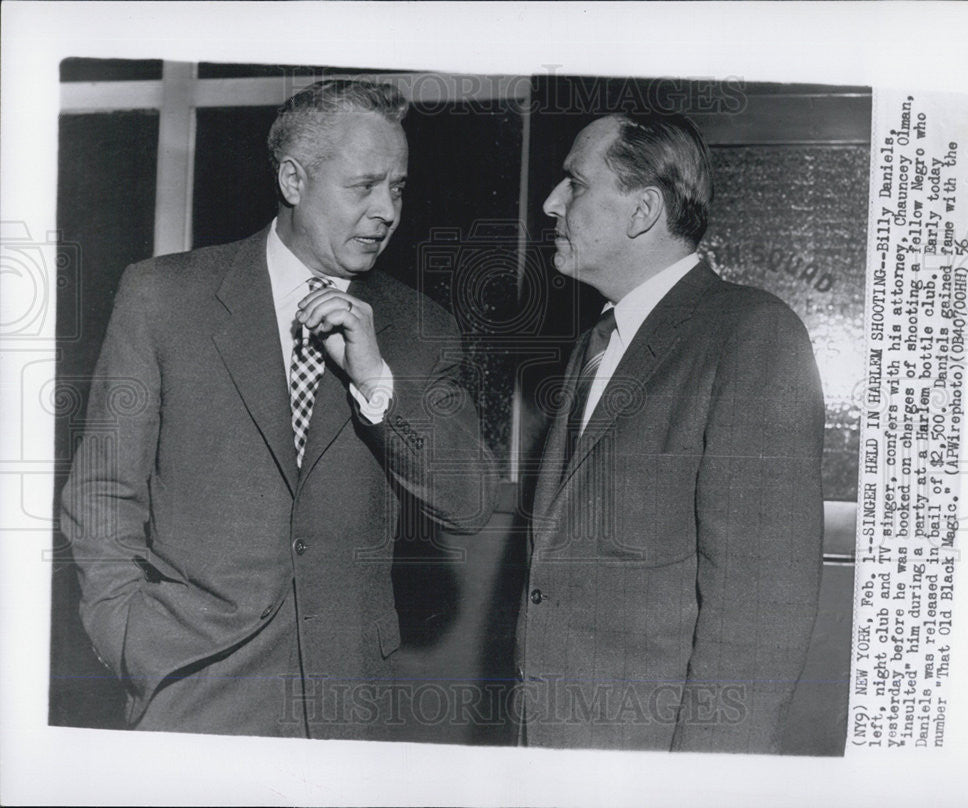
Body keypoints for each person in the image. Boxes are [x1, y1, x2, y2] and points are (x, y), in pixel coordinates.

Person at [61, 80, 499, 740]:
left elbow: (469, 502)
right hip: (191, 686)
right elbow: (99, 493)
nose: (386, 211)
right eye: (364, 185)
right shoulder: (162, 298)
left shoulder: (419, 328)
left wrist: (376, 380)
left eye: (399, 189)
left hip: (347, 704)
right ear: (294, 180)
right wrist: (128, 638)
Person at [516, 112, 826, 753]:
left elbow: (759, 615)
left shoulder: (751, 334)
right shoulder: (596, 344)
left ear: (642, 210)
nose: (550, 203)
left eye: (574, 182)